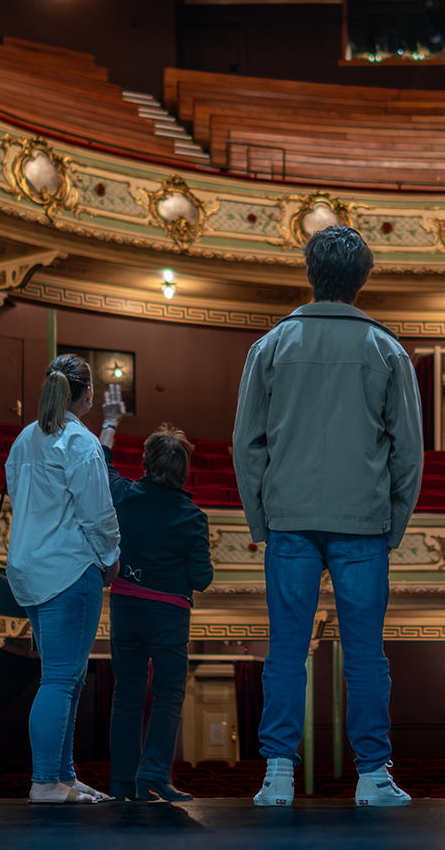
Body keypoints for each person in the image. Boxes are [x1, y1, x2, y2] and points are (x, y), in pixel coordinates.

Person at [233, 225, 423, 808]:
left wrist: (261, 521)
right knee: (365, 654)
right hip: (363, 522)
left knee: (286, 650)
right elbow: (409, 452)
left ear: (309, 274)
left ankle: (278, 777)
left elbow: (247, 444)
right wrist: (393, 523)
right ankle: (372, 776)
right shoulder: (387, 350)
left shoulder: (269, 346)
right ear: (362, 280)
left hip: (288, 518)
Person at [5, 354, 121, 805]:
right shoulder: (79, 441)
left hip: (30, 571)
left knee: (65, 678)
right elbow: (98, 512)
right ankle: (45, 783)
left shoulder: (24, 439)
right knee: (59, 678)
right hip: (69, 570)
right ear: (86, 393)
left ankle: (63, 776)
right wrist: (111, 556)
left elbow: (18, 496)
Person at [99, 390, 214, 803]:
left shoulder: (125, 495)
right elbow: (202, 578)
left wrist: (111, 424)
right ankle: (153, 777)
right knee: (168, 694)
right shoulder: (192, 516)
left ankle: (121, 783)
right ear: (183, 471)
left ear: (147, 463)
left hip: (126, 608)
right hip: (168, 616)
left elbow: (100, 464)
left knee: (127, 694)